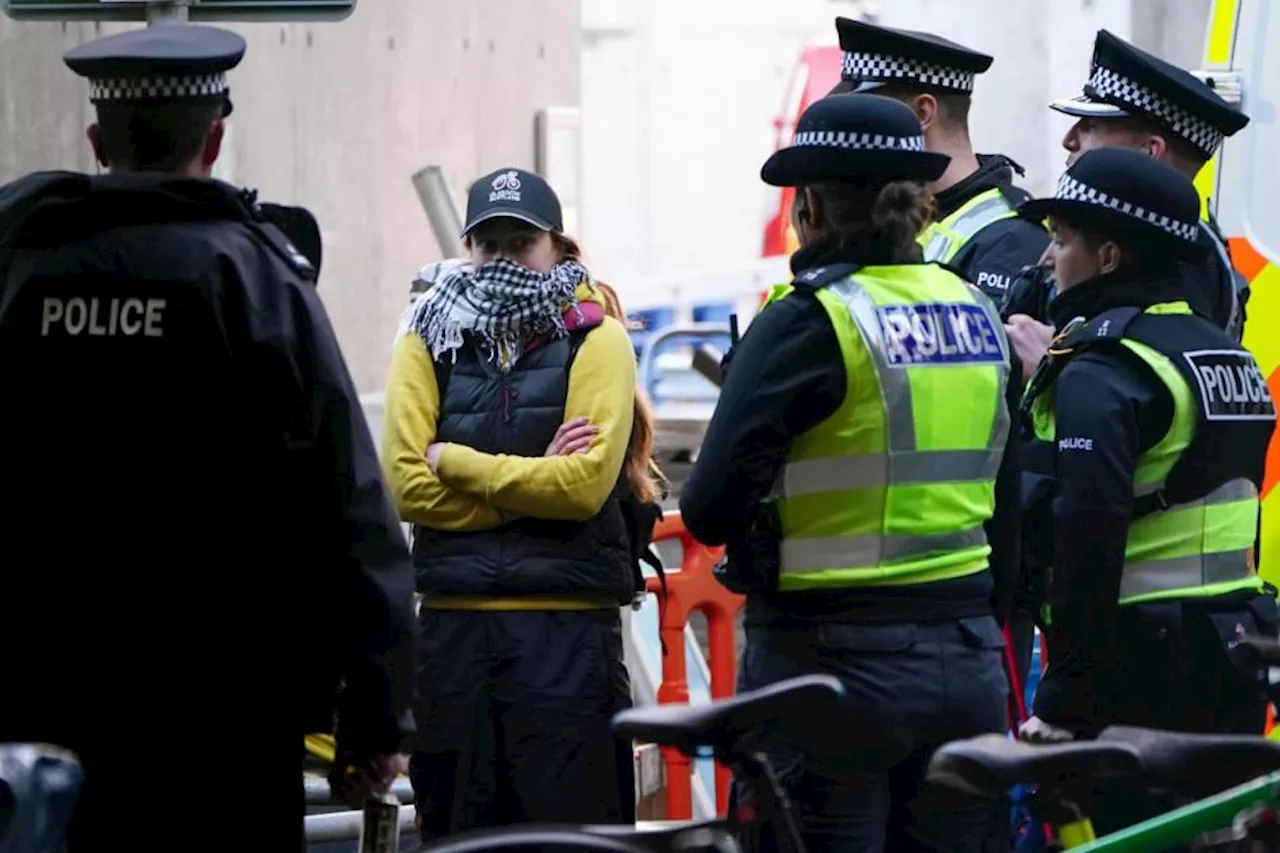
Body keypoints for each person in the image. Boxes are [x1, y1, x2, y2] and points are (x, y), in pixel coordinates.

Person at [0, 25, 417, 852]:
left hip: (43, 718)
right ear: (215, 139)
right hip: (225, 713)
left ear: (97, 141)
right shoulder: (260, 281)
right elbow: (352, 512)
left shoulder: (23, 273)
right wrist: (374, 717)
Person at [680, 92, 1017, 853]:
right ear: (919, 205)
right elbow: (1011, 499)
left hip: (830, 671)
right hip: (965, 663)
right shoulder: (975, 311)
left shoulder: (808, 320)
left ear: (810, 210)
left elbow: (707, 510)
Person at [1013, 147, 1278, 832]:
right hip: (1235, 645)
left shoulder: (1106, 368)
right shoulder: (1227, 354)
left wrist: (1063, 699)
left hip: (1138, 666)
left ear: (1107, 257)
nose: (1047, 259)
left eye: (1062, 240)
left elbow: (1087, 539)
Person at [381, 166, 643, 840]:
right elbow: (406, 484)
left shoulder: (597, 337)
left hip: (567, 643)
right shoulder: (426, 333)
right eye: (487, 245)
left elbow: (584, 488)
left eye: (519, 243)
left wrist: (458, 464)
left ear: (555, 244)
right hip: (454, 645)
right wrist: (534, 486)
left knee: (571, 840)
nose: (503, 261)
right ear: (467, 248)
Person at [1005, 29, 1251, 343]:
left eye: (1091, 126)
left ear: (1149, 152)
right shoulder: (1203, 254)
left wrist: (1049, 363)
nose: (1068, 140)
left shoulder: (1176, 271)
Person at [831, 17, 1049, 307]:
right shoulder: (892, 216)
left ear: (922, 114)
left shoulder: (1011, 239)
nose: (859, 135)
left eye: (870, 116)